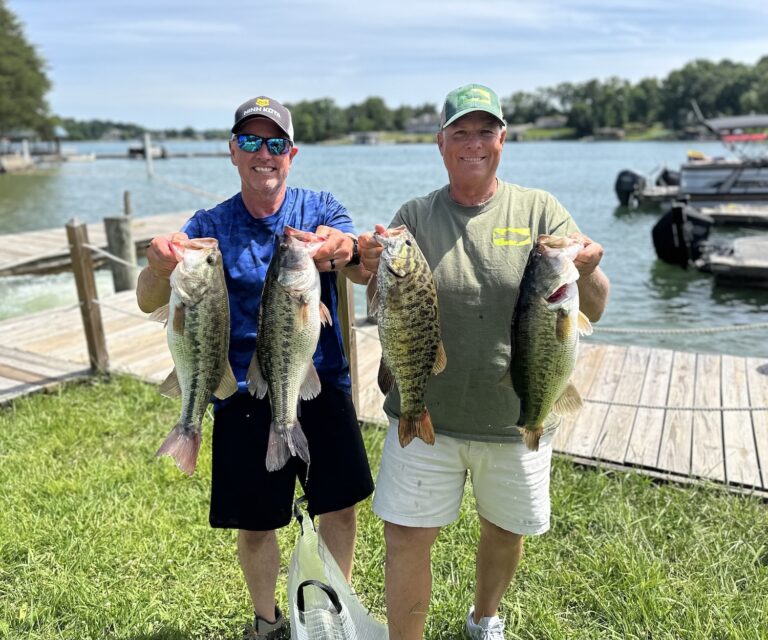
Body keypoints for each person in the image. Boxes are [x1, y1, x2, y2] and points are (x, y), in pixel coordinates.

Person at [358, 84, 610, 640]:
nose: (474, 143)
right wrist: (368, 261)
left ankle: (485, 617)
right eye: (461, 133)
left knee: (505, 528)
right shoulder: (416, 216)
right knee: (405, 535)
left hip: (514, 410)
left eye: (486, 132)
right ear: (441, 143)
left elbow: (594, 305)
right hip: (425, 414)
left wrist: (588, 267)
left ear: (502, 140)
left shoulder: (541, 210)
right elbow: (374, 287)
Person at [136, 96, 375, 639]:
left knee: (338, 509)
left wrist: (344, 249)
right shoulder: (209, 224)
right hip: (242, 392)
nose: (262, 154)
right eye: (249, 142)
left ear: (290, 153)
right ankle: (267, 622)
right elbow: (151, 300)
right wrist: (156, 266)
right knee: (256, 521)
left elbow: (354, 258)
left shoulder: (320, 208)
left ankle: (332, 612)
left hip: (318, 382)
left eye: (274, 143)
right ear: (233, 152)